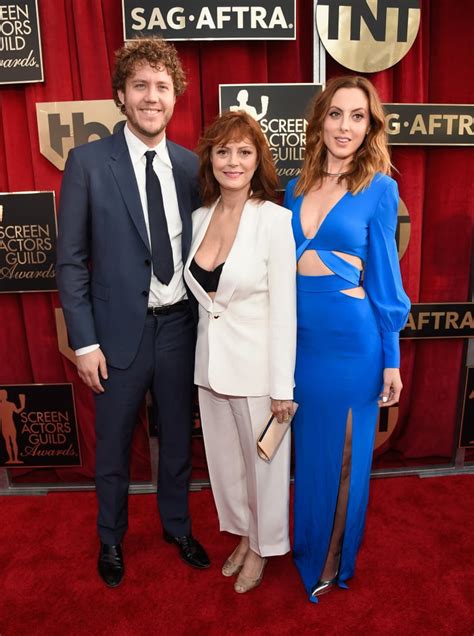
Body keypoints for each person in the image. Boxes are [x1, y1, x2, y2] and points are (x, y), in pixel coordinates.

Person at [56, 38, 210, 588]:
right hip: (116, 336)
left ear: (175, 98)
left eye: (162, 87)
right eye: (140, 85)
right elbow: (70, 261)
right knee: (115, 447)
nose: (152, 97)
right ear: (121, 95)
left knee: (177, 442)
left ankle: (176, 526)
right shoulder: (88, 163)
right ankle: (111, 539)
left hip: (179, 329)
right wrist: (85, 342)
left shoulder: (194, 167)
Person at [283, 76, 410, 602]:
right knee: (310, 455)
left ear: (369, 126)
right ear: (321, 119)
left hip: (351, 345)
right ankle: (306, 544)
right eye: (337, 114)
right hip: (297, 343)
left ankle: (331, 562)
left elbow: (384, 278)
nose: (345, 126)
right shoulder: (291, 186)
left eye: (358, 117)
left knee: (344, 460)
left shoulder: (379, 188)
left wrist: (391, 358)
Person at [184, 111, 296, 594]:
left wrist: (281, 387)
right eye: (223, 151)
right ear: (211, 158)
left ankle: (265, 547)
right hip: (210, 367)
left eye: (244, 152)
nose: (233, 161)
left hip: (257, 372)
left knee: (265, 469)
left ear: (258, 162)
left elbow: (285, 311)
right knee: (227, 466)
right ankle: (245, 534)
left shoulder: (275, 220)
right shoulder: (199, 218)